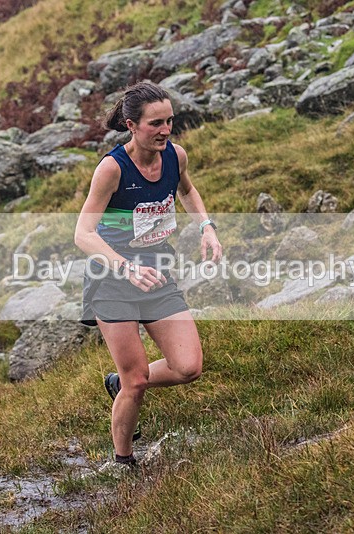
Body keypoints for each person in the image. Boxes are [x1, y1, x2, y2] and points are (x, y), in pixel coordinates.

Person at [74, 81, 222, 467]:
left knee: (188, 367)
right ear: (131, 125)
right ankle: (122, 462)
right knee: (136, 380)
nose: (165, 130)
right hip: (111, 277)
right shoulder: (112, 169)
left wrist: (206, 226)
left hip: (157, 271)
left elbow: (187, 191)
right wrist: (125, 267)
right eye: (155, 123)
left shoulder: (175, 156)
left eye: (169, 121)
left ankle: (116, 383)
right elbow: (83, 234)